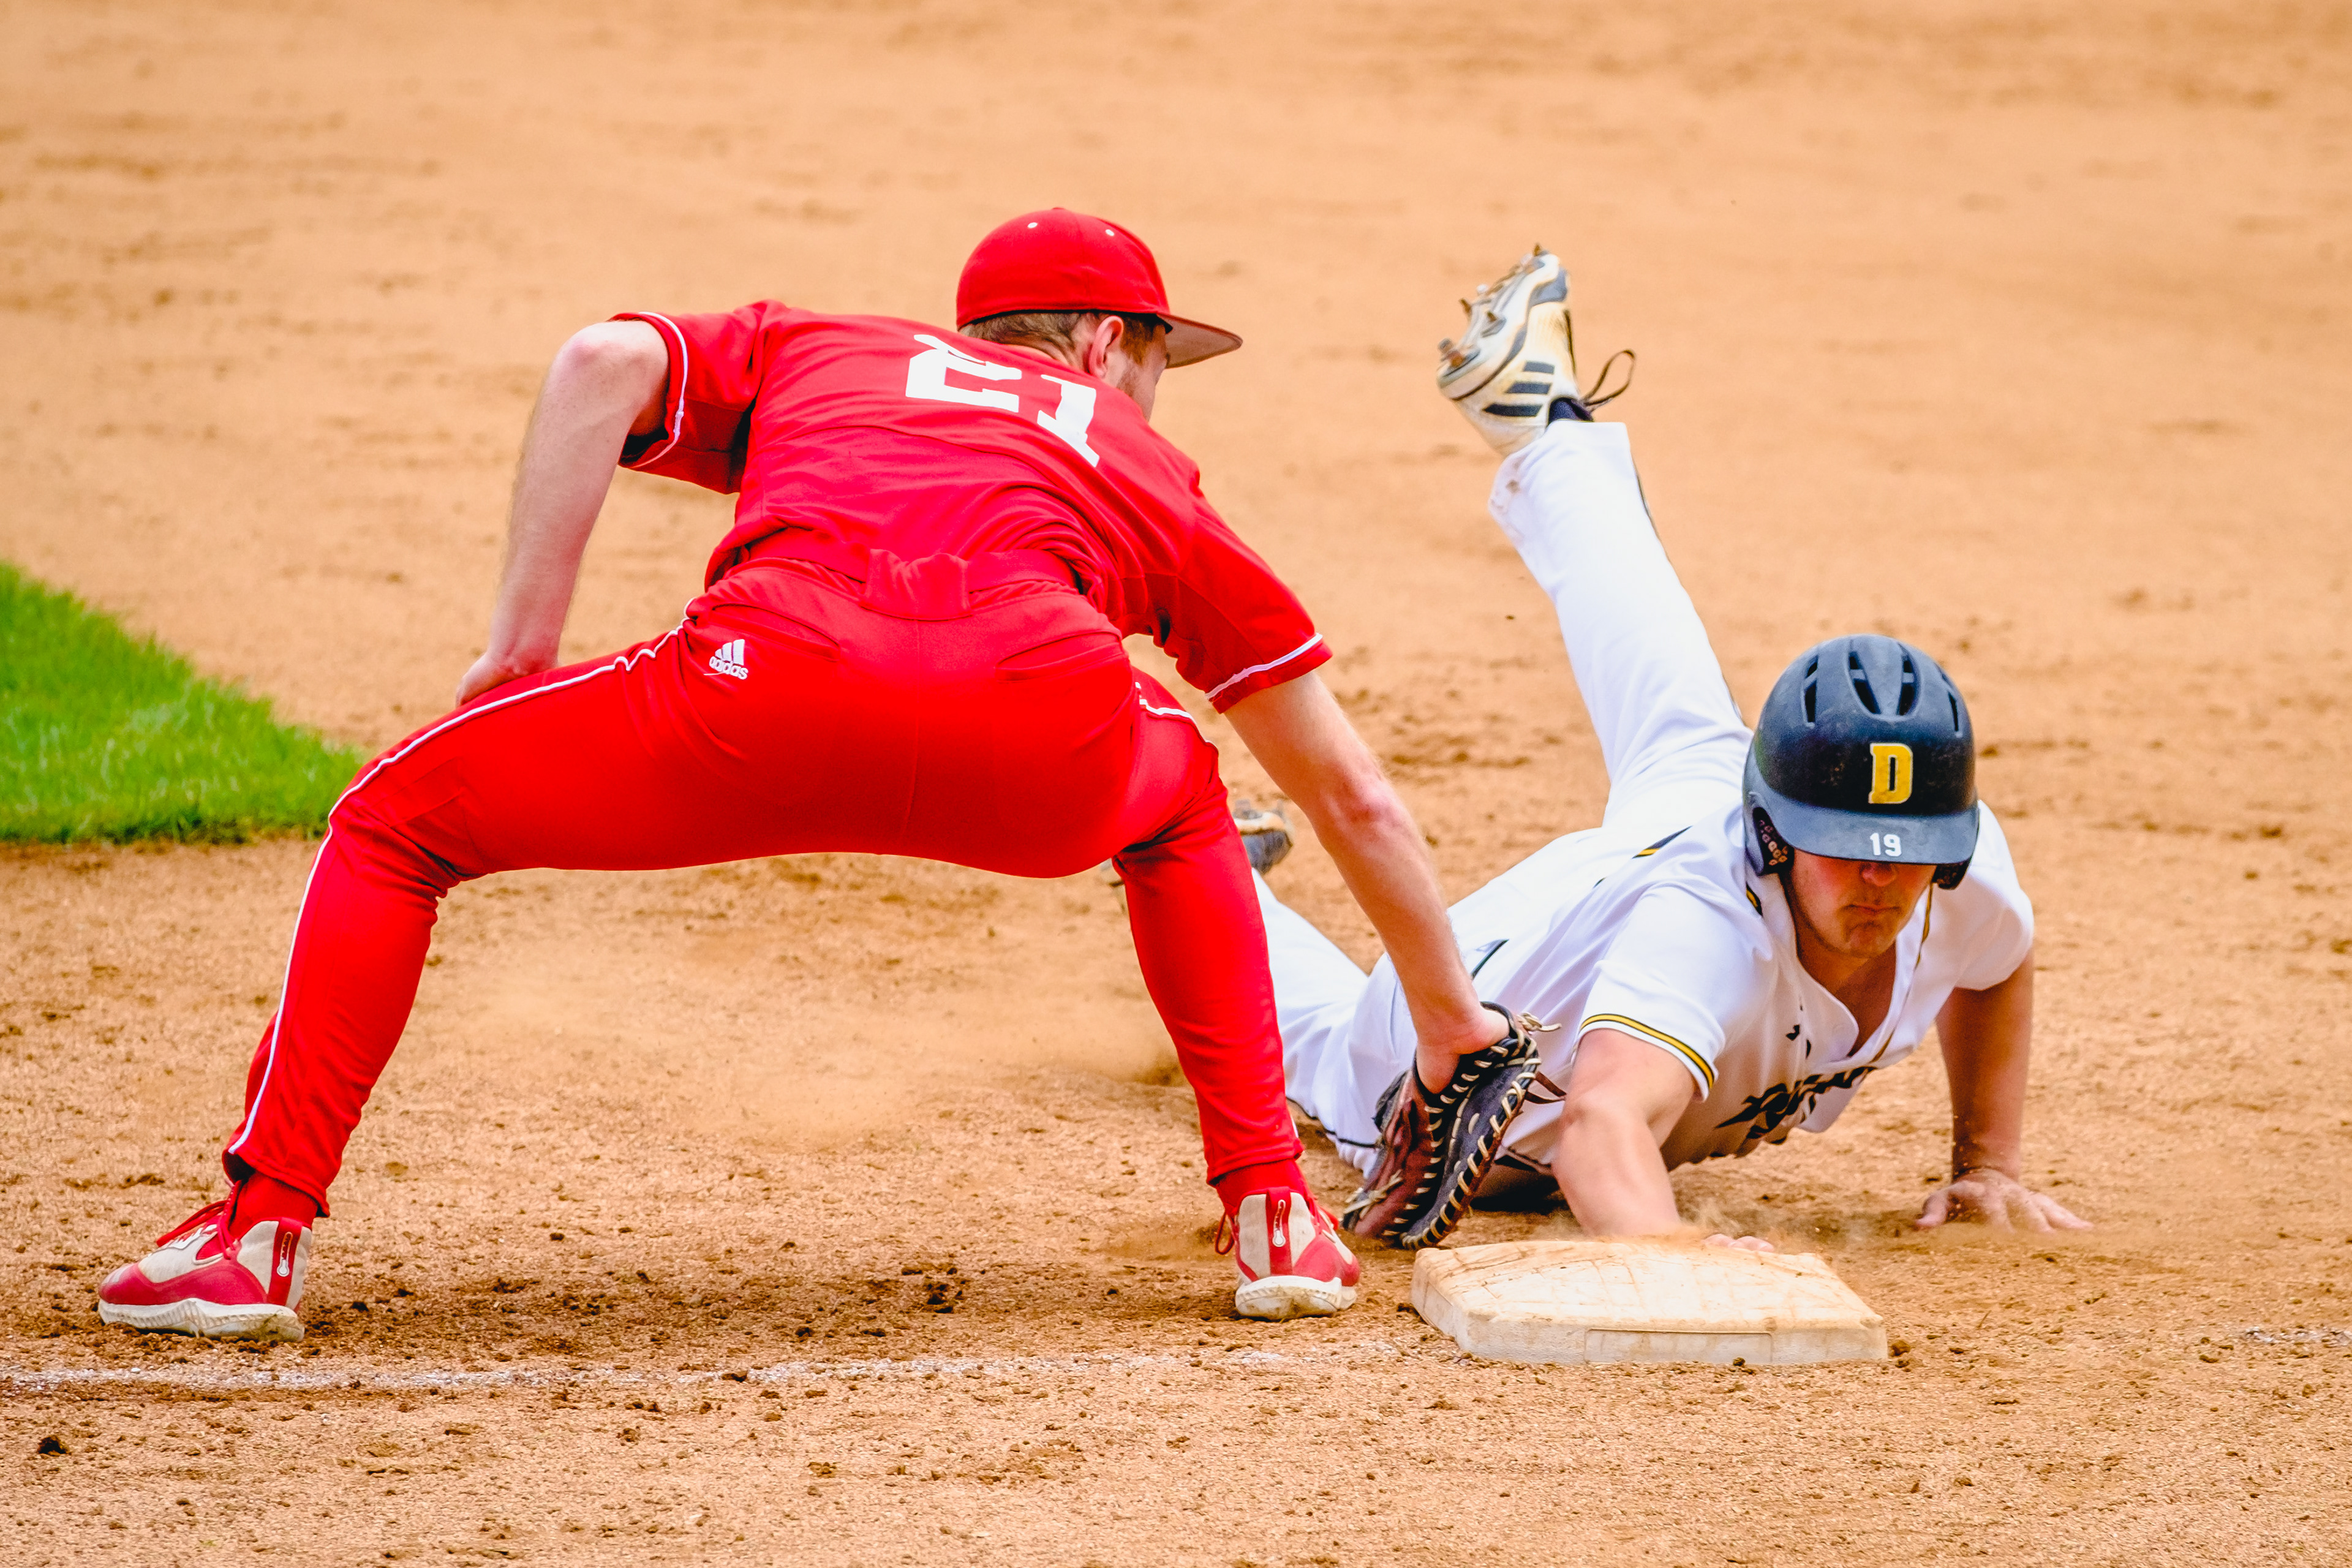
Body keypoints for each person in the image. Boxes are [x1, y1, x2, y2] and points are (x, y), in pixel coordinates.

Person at [95, 209, 1529, 1340]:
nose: (1158, 392)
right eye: (1158, 359)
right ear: (1102, 346)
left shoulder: (825, 349)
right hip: (1040, 737)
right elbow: (1357, 797)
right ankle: (1274, 1215)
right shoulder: (1148, 472)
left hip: (754, 700)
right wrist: (1452, 1022)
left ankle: (255, 1231)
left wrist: (519, 653)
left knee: (395, 818)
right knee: (1184, 799)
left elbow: (602, 363)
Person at [1258, 247, 2089, 1250]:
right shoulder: (1704, 934)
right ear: (1772, 830)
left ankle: (1549, 428)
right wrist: (1672, 1254)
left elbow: (1999, 960)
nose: (1880, 880)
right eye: (1845, 846)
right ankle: (1195, 862)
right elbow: (1600, 1124)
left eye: (1906, 856)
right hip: (1459, 1043)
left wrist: (1986, 1166)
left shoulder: (1954, 862)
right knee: (1325, 1041)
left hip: (1654, 850)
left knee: (1673, 694)